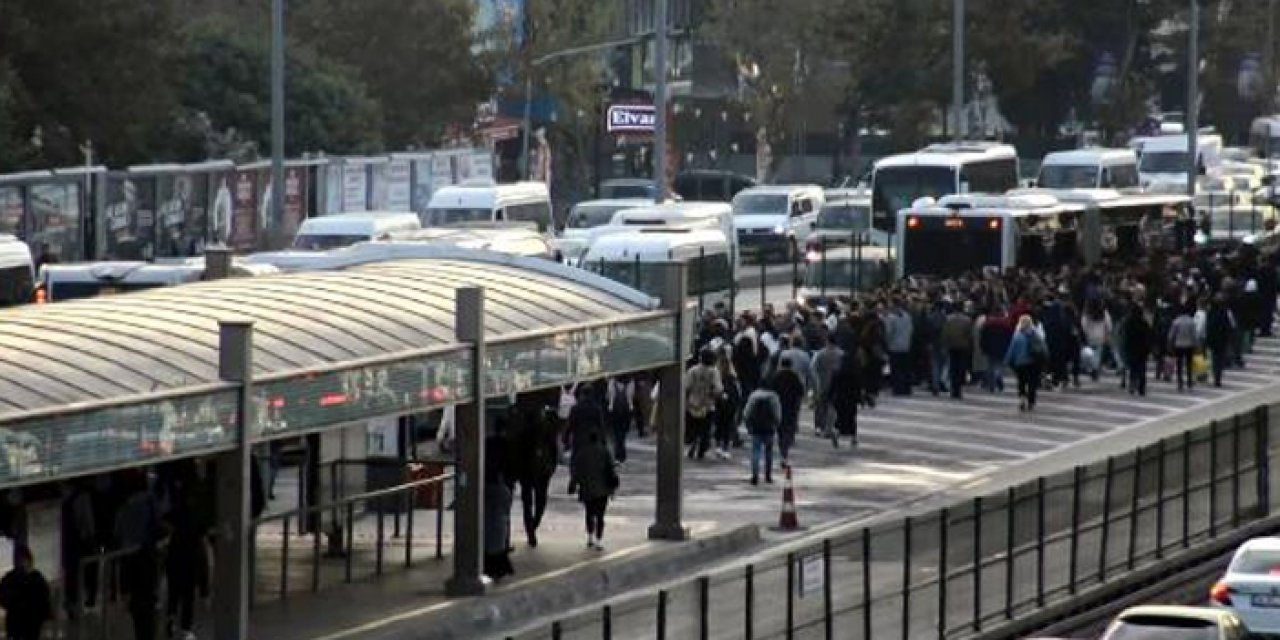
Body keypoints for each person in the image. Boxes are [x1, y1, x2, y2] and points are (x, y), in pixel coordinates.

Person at [515, 402, 558, 548]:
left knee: (528, 503)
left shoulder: (522, 433)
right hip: (542, 471)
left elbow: (517, 455)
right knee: (540, 501)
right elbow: (554, 450)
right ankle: (534, 524)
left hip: (527, 472)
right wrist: (552, 466)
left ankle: (530, 530)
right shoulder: (546, 431)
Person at [573, 430, 616, 550]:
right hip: (603, 489)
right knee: (600, 516)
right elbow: (610, 471)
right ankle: (599, 540)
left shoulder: (581, 453)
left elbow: (577, 471)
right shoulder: (605, 452)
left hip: (587, 489)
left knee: (589, 513)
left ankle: (590, 537)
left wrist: (574, 484)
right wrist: (612, 488)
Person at [0, 546, 51, 640]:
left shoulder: (10, 578)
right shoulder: (37, 578)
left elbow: (4, 599)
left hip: (20, 622)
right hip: (29, 622)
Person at [482, 438, 514, 581]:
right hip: (497, 521)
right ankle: (497, 569)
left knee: (490, 541)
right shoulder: (501, 488)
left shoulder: (484, 486)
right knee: (496, 541)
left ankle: (492, 568)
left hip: (489, 522)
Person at [565, 386, 606, 495]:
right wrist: (603, 440)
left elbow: (570, 424)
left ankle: (573, 480)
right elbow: (601, 425)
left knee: (575, 462)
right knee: (595, 460)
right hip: (592, 439)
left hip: (578, 440)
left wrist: (565, 438)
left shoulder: (575, 408)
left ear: (582, 395)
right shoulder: (596, 408)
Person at [684, 349, 723, 460]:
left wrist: (686, 401)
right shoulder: (714, 371)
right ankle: (701, 449)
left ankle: (693, 444)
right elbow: (718, 389)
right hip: (708, 405)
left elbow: (686, 387)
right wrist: (713, 396)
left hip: (692, 404)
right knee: (705, 429)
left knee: (693, 428)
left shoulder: (693, 370)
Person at [742, 380, 782, 485]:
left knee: (755, 451)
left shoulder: (754, 395)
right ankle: (768, 475)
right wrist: (776, 424)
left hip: (756, 427)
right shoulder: (774, 396)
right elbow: (777, 414)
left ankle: (755, 474)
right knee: (769, 452)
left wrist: (748, 424)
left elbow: (747, 412)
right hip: (769, 428)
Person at [1005, 315, 1046, 412]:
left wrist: (1007, 360)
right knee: (1032, 383)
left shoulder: (1017, 336)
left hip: (1020, 364)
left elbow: (1011, 350)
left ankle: (1022, 399)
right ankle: (1031, 401)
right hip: (1033, 363)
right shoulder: (1036, 334)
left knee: (1022, 382)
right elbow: (1043, 348)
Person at [811, 334, 844, 442]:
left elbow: (813, 367)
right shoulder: (841, 354)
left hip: (822, 382)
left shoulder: (820, 353)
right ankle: (829, 428)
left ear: (828, 341)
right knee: (832, 407)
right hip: (836, 384)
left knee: (820, 406)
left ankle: (819, 427)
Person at [772, 359, 805, 466]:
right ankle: (785, 452)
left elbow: (771, 390)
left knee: (780, 430)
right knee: (789, 429)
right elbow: (801, 391)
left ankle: (783, 452)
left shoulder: (776, 377)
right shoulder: (794, 377)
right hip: (791, 407)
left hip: (779, 406)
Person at [828, 349, 862, 447]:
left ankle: (836, 432)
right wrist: (859, 398)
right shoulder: (855, 374)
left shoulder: (837, 373)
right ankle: (853, 438)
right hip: (851, 399)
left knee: (840, 417)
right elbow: (858, 387)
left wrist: (829, 397)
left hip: (839, 399)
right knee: (851, 418)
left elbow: (832, 387)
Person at [941, 304, 974, 399]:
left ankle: (953, 389)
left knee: (953, 368)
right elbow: (970, 334)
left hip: (951, 346)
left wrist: (945, 344)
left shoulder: (948, 319)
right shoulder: (967, 320)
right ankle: (958, 390)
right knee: (960, 368)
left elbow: (944, 333)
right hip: (963, 346)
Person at [712, 348, 741, 459]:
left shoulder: (717, 376)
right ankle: (724, 448)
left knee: (719, 425)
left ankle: (719, 446)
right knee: (727, 427)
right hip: (730, 406)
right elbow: (738, 393)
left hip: (719, 405)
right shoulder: (733, 378)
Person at [1121, 302, 1152, 396]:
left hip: (1131, 348)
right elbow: (1149, 336)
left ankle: (1132, 385)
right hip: (1143, 348)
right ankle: (1142, 387)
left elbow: (1125, 336)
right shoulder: (1144, 323)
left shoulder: (1128, 322)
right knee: (1142, 368)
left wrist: (1125, 347)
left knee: (1133, 368)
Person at [885, 299, 914, 396]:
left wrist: (887, 343)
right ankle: (906, 388)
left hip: (895, 347)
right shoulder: (908, 317)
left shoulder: (891, 318)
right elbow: (911, 331)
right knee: (905, 368)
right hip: (906, 346)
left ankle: (897, 388)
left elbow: (889, 333)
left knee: (895, 369)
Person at [1205, 293, 1235, 387]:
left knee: (1215, 359)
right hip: (1222, 339)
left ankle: (1216, 377)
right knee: (1220, 360)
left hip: (1214, 339)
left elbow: (1208, 326)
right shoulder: (1224, 313)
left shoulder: (1211, 312)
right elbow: (1228, 326)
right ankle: (1218, 377)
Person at [1168, 304, 1199, 392]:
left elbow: (1171, 335)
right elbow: (1194, 335)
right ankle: (1189, 382)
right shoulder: (1191, 321)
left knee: (1179, 365)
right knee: (1189, 365)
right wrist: (1196, 345)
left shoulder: (1176, 321)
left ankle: (1180, 383)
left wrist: (1170, 344)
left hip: (1179, 345)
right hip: (1189, 345)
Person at [605, 376, 633, 464]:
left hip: (615, 410)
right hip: (626, 410)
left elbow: (609, 396)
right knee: (622, 435)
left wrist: (610, 405)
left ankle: (618, 456)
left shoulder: (612, 382)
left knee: (616, 434)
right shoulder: (630, 382)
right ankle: (621, 455)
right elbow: (630, 397)